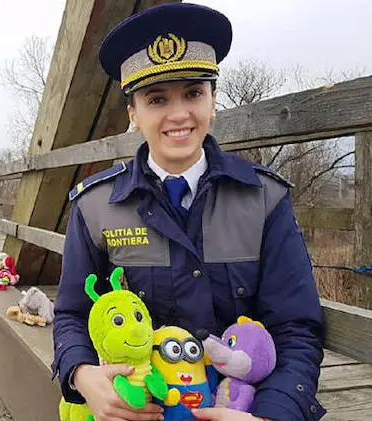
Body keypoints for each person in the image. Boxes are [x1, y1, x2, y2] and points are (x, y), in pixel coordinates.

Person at [51, 3, 325, 421]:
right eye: (157, 98)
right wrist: (82, 374)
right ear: (133, 114)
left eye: (193, 93)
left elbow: (296, 326)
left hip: (238, 407)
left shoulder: (264, 198)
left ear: (213, 101)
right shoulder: (94, 206)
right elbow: (72, 312)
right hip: (139, 408)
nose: (178, 114)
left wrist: (270, 414)